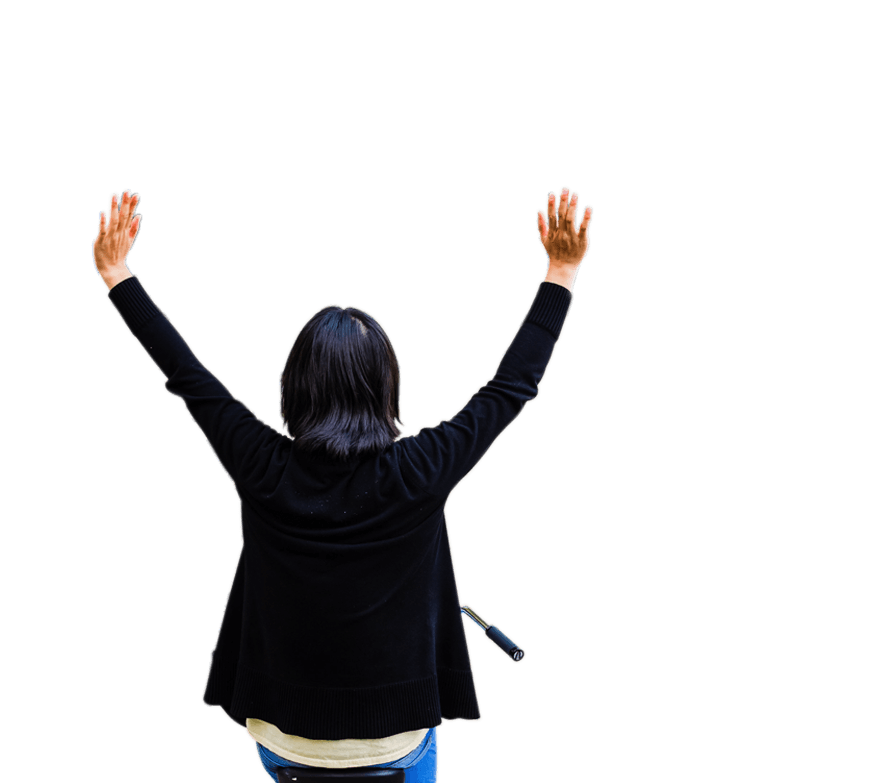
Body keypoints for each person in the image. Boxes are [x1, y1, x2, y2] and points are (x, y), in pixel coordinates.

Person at [91, 185, 592, 782]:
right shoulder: (421, 470)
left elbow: (186, 374)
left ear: (293, 386)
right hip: (396, 746)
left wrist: (116, 272)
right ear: (387, 387)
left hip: (283, 741)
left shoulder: (259, 463)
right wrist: (560, 271)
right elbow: (511, 388)